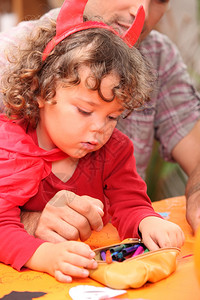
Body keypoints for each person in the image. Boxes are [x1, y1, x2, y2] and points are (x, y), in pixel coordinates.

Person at [0, 0, 184, 283]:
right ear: (40, 90)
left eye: (113, 117)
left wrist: (147, 221)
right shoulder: (11, 149)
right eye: (85, 111)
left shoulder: (115, 150)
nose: (99, 129)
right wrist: (44, 255)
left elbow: (129, 202)